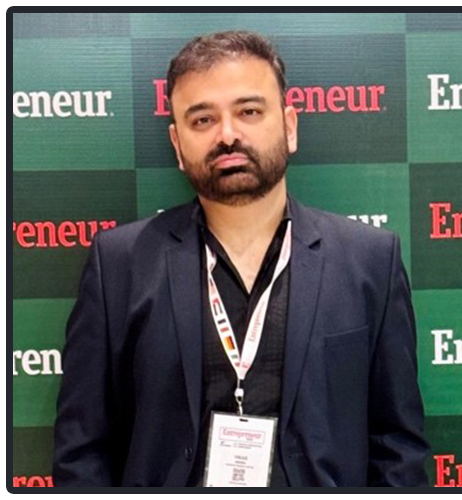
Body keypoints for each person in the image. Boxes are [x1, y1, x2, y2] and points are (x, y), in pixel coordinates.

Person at [53, 31, 429, 487]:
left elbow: (397, 447)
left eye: (249, 111)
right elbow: (83, 450)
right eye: (202, 120)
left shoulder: (370, 262)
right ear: (177, 144)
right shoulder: (118, 266)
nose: (227, 135)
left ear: (289, 126)